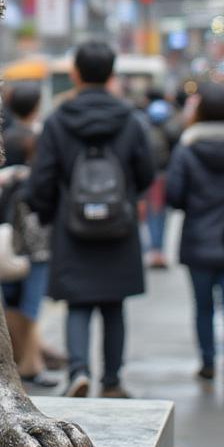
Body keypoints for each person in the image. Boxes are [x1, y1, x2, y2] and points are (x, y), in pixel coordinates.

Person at [27, 40, 155, 399]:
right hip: (119, 225)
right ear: (112, 74)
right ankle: (112, 380)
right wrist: (127, 197)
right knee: (113, 303)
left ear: (75, 74)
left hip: (72, 227)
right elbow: (146, 172)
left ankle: (79, 371)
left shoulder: (57, 121)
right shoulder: (130, 119)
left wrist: (48, 211)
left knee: (78, 303)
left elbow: (43, 179)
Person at [165, 84, 224, 405]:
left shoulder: (187, 148)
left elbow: (173, 196)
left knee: (203, 309)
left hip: (198, 242)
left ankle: (207, 364)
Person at [0, 82, 57, 387]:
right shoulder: (38, 140)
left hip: (3, 235)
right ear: (35, 107)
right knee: (31, 304)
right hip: (34, 238)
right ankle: (31, 363)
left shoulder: (1, 139)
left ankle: (25, 360)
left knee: (7, 302)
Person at [142, 97, 174, 269]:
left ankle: (155, 250)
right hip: (162, 178)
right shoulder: (171, 131)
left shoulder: (145, 132)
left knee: (152, 216)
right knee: (159, 217)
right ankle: (157, 250)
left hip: (153, 180)